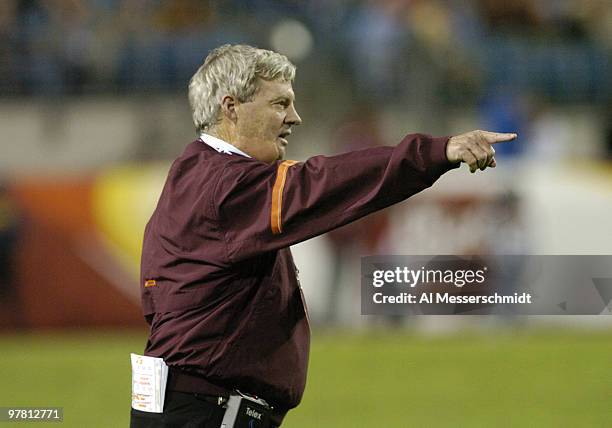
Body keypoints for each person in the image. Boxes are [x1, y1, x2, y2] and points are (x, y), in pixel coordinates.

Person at [131, 44, 516, 427]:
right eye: (280, 103)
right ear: (231, 108)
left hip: (184, 403)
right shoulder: (226, 186)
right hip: (206, 411)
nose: (294, 117)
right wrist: (437, 151)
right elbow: (321, 184)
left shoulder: (194, 171)